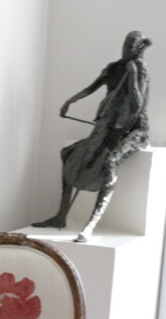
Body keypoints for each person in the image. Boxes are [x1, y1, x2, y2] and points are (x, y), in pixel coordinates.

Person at [35, 30, 151, 240]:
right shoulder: (114, 68)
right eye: (124, 46)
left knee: (110, 163)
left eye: (130, 48)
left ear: (137, 50)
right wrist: (70, 101)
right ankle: (61, 215)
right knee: (68, 153)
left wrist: (132, 75)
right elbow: (92, 88)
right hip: (107, 127)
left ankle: (90, 225)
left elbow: (136, 105)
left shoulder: (139, 70)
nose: (125, 50)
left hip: (133, 130)